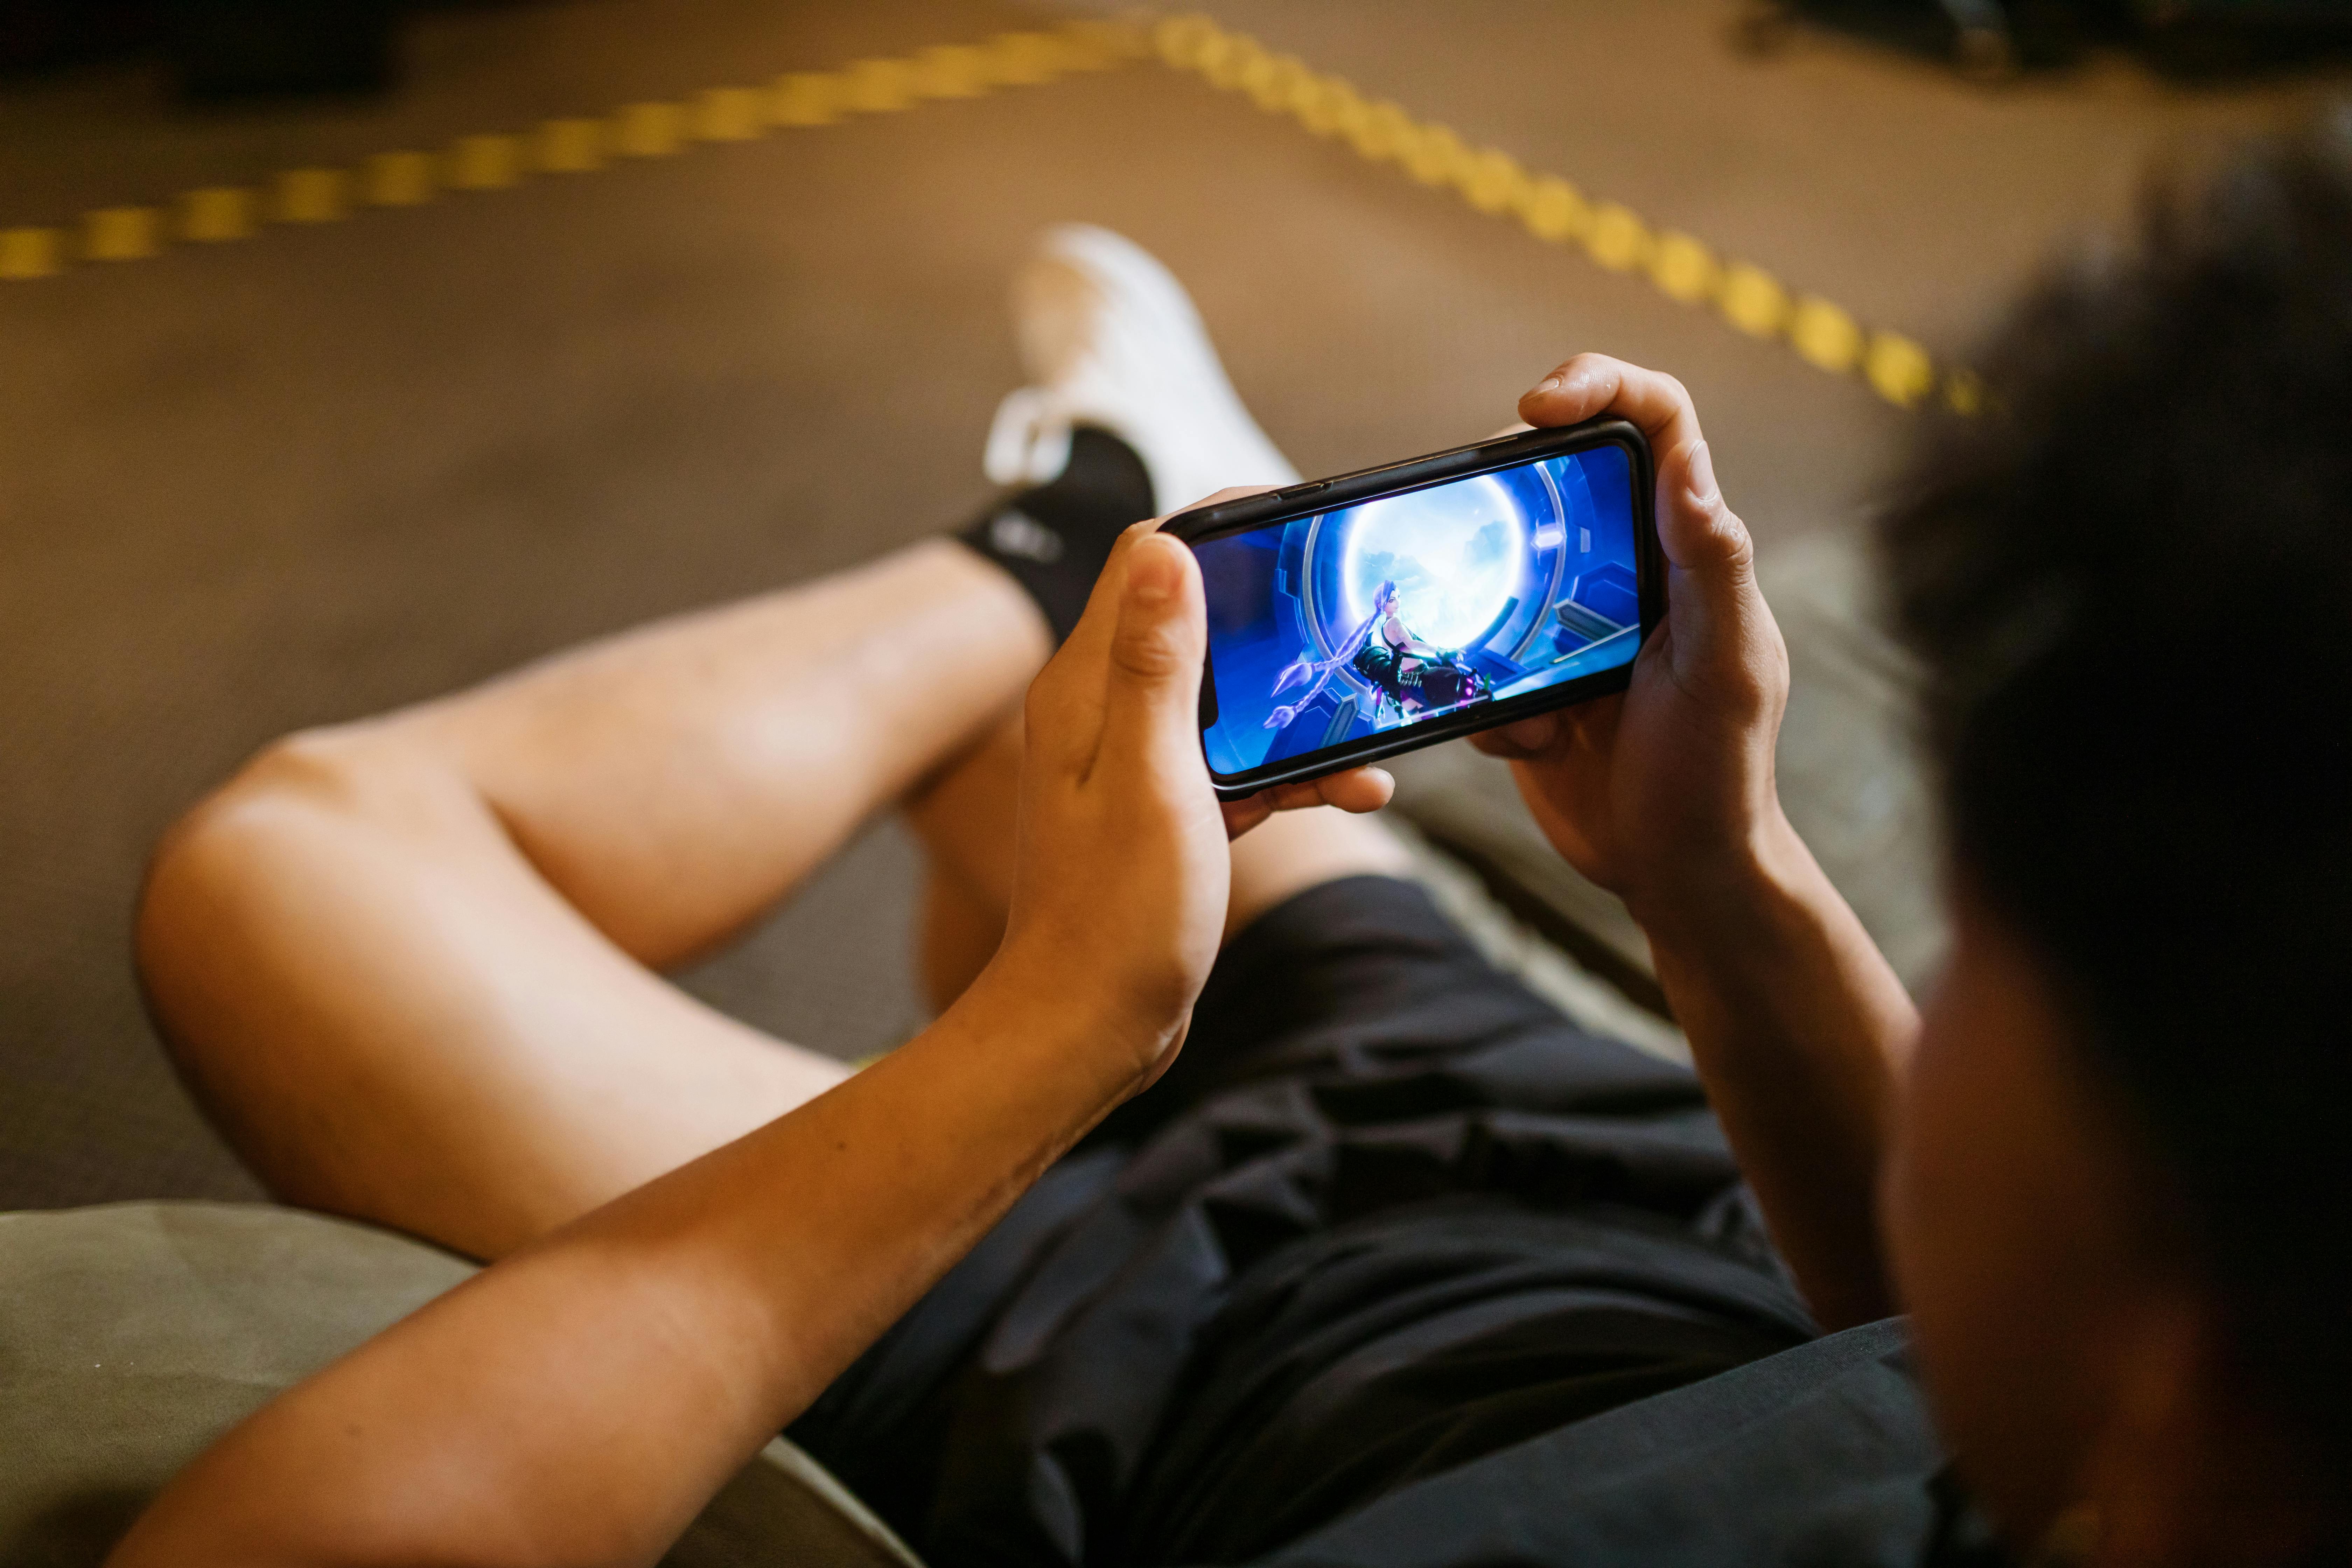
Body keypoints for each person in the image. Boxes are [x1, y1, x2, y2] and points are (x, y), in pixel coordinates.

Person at [110, 118, 2350, 1568]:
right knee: (1086, 759)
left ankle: (1068, 526)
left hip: (1126, 1370)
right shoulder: (2209, 1428)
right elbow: (1939, 1353)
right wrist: (1718, 871)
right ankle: (1109, 540)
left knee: (284, 861)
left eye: (1992, 950)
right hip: (1590, 1167)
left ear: (2176, 1321)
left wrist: (1054, 1039)